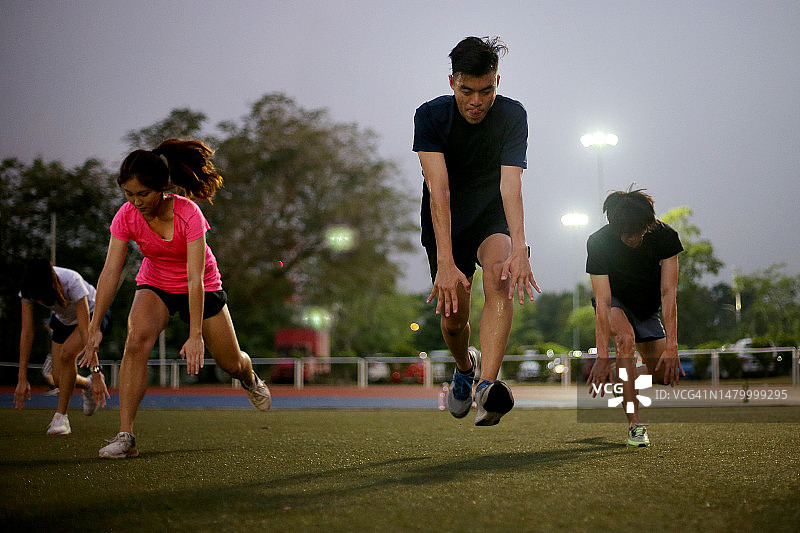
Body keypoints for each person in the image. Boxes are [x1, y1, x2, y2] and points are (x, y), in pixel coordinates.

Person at [81, 138, 271, 459]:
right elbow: (110, 273)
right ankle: (126, 436)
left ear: (163, 188)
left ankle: (249, 376)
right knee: (136, 341)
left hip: (202, 285)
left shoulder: (188, 214)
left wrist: (195, 334)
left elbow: (195, 277)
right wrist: (94, 326)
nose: (137, 202)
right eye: (129, 194)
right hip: (156, 282)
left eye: (144, 194)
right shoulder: (126, 216)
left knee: (230, 363)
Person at [413, 36, 540, 426]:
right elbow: (440, 190)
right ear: (452, 82)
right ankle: (465, 369)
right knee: (453, 321)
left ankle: (486, 386)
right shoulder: (430, 116)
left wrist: (520, 246)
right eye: (467, 90)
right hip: (446, 224)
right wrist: (446, 262)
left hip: (490, 217)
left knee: (500, 277)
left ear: (496, 82)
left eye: (486, 91)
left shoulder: (513, 115)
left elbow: (510, 185)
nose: (476, 101)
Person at [585, 188, 684, 447]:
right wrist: (602, 355)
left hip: (647, 307)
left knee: (663, 375)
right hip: (616, 303)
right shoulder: (598, 241)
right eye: (626, 234)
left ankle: (624, 373)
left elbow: (668, 292)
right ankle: (635, 425)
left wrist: (672, 344)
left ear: (648, 224)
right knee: (625, 340)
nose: (632, 239)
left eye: (638, 233)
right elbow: (603, 301)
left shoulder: (665, 236)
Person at [15, 257, 111, 434]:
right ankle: (86, 384)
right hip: (63, 321)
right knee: (59, 379)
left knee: (67, 354)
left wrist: (96, 372)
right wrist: (22, 378)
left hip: (92, 315)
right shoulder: (27, 290)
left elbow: (85, 331)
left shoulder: (71, 281)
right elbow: (27, 333)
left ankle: (61, 418)